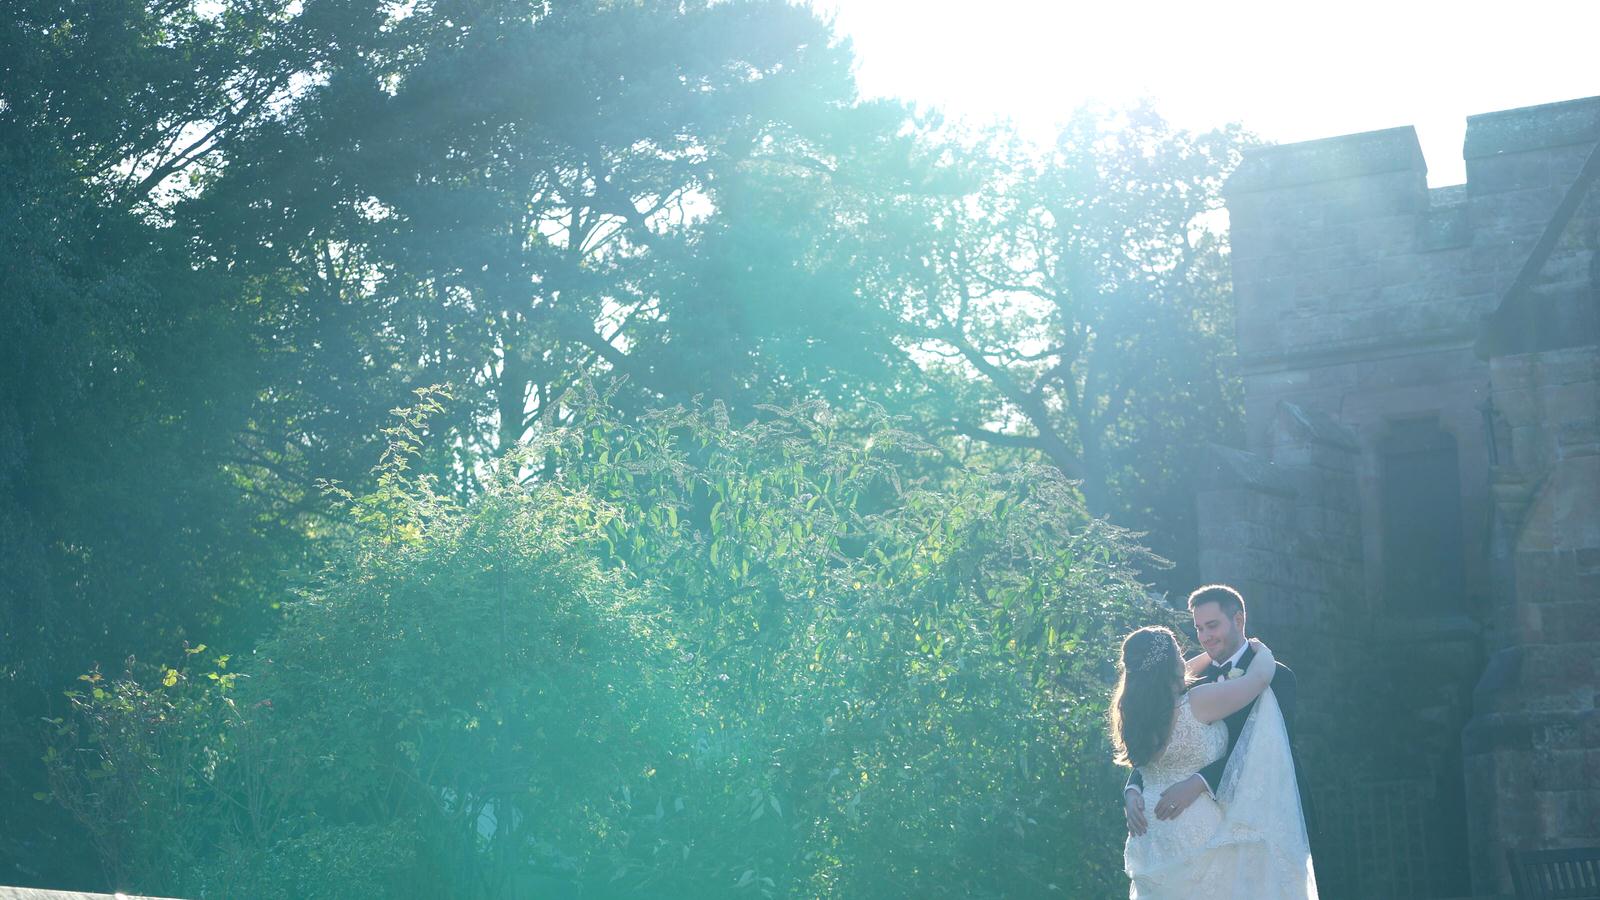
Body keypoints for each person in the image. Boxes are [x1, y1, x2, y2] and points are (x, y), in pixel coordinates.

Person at [1111, 585, 1317, 899]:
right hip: (1196, 832)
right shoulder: (1190, 682)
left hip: (1262, 819)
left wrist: (1198, 782)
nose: (1205, 636)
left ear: (1238, 619)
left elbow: (1266, 754)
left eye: (1212, 626)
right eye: (1198, 628)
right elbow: (1155, 748)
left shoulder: (1280, 678)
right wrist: (1133, 786)